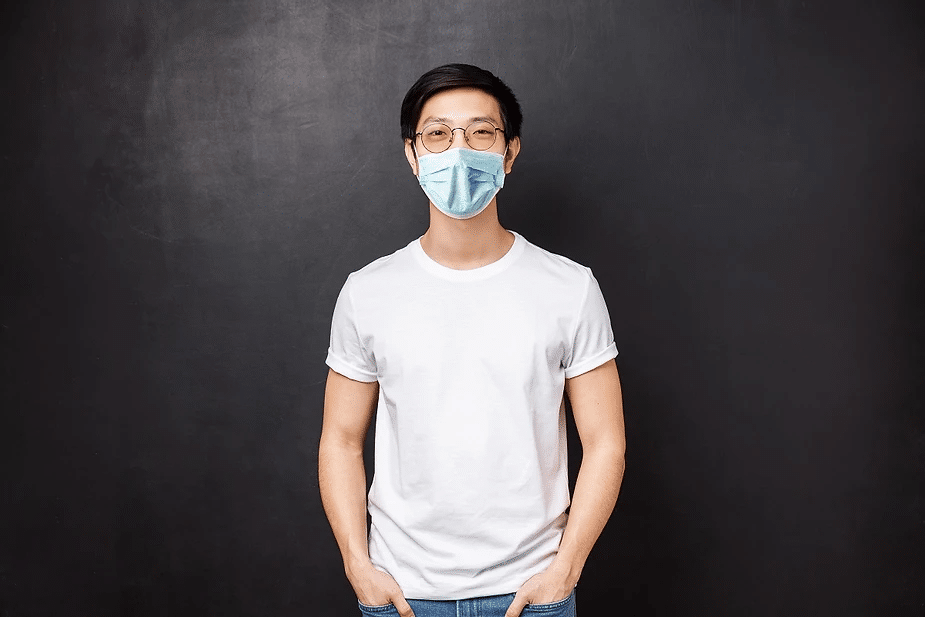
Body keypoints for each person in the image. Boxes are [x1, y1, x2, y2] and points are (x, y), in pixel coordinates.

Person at [319, 63, 625, 617]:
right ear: (412, 154)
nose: (458, 150)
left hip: (532, 593)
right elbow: (340, 440)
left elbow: (605, 441)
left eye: (481, 132)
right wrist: (356, 565)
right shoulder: (367, 292)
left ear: (509, 151)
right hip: (402, 593)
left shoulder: (570, 288)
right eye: (438, 134)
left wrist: (566, 569)